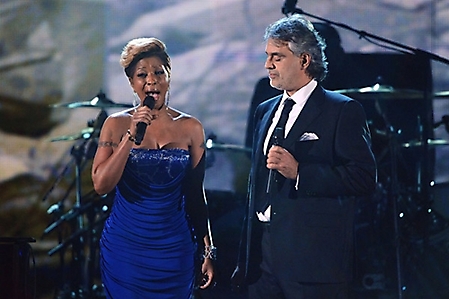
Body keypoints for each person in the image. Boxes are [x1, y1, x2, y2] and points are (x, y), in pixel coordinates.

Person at [231, 15, 377, 299]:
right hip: (263, 262)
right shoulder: (265, 110)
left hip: (313, 264)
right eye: (267, 56)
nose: (267, 65)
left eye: (277, 57)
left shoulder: (341, 110)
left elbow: (363, 178)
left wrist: (300, 173)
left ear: (304, 60)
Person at [91, 37, 215, 298]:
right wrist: (130, 137)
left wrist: (207, 250)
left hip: (174, 249)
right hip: (126, 249)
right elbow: (101, 185)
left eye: (159, 72)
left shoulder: (192, 127)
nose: (151, 80)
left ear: (169, 77)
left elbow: (195, 194)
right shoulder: (115, 125)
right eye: (142, 74)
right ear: (132, 82)